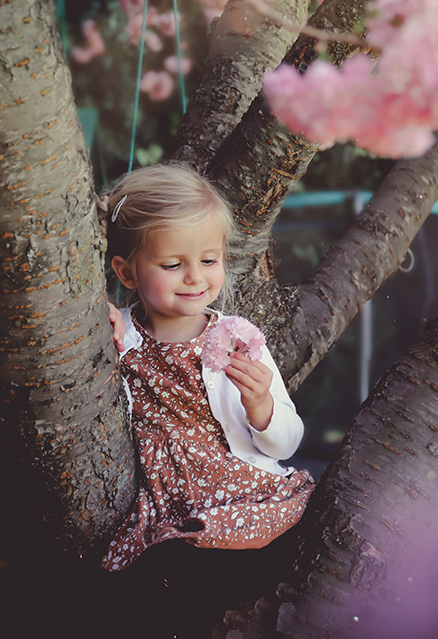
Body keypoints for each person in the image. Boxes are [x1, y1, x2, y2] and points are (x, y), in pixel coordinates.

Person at [97, 163, 314, 636]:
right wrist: (101, 319)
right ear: (127, 272)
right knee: (157, 587)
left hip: (238, 491)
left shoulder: (237, 342)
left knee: (243, 558)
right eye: (173, 265)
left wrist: (262, 409)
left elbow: (288, 442)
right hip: (169, 503)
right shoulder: (120, 338)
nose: (195, 277)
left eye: (209, 260)